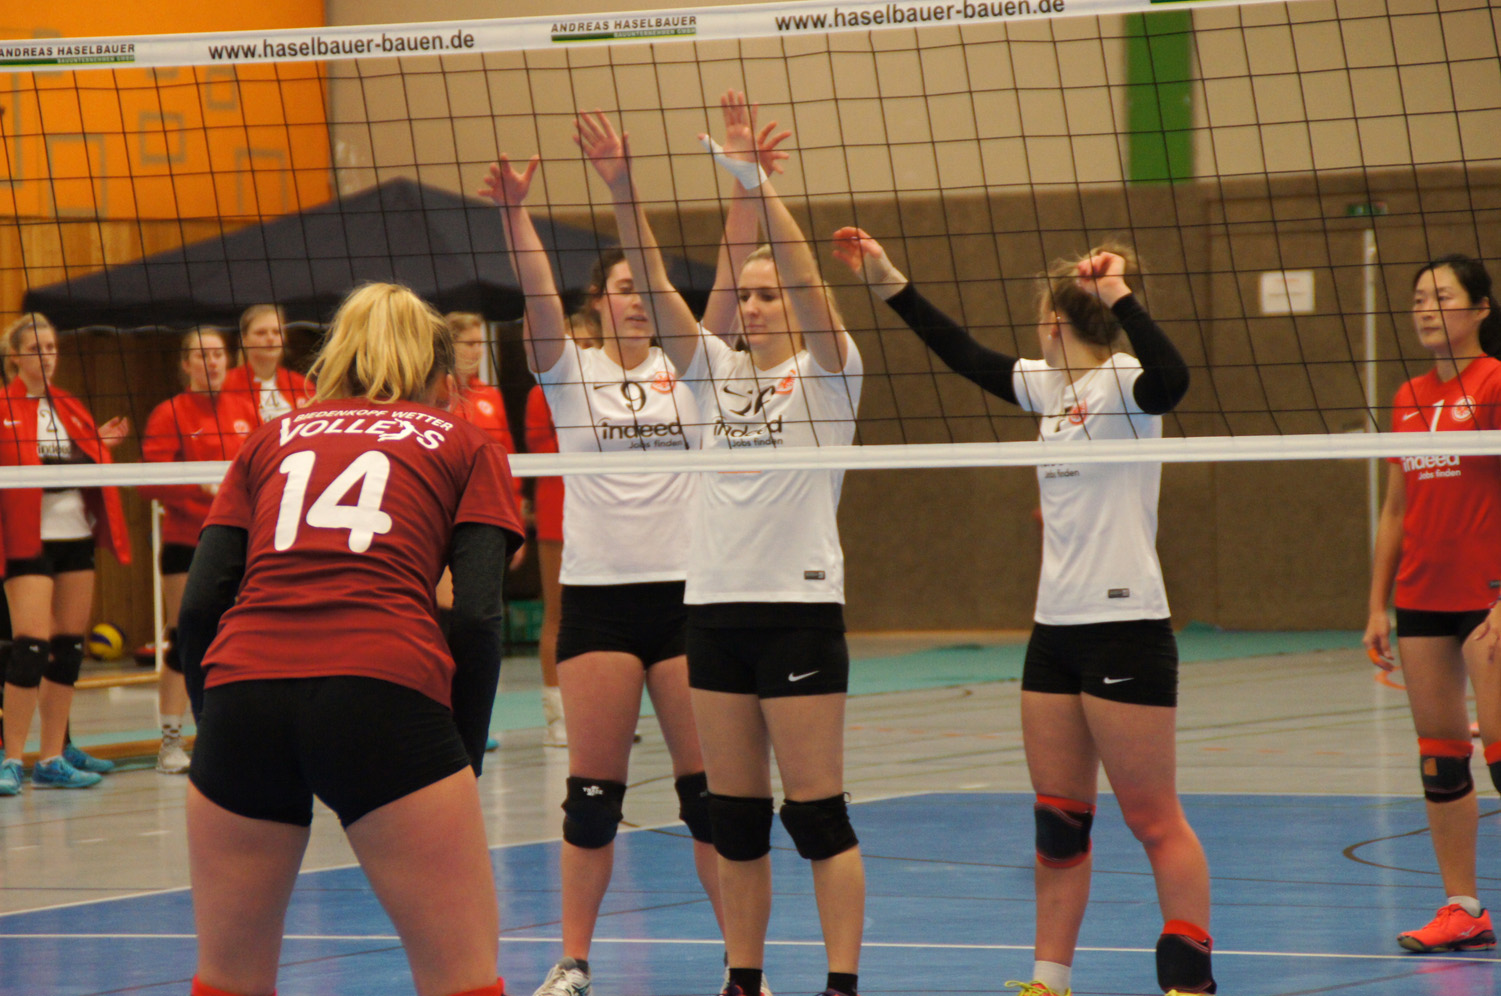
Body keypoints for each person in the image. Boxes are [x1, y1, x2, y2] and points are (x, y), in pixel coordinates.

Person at [835, 229, 1206, 995]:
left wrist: (1119, 296)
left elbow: (1173, 380)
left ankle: (1188, 983)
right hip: (1053, 631)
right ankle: (1048, 979)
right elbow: (961, 353)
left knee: (1152, 820)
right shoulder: (1049, 388)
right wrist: (887, 280)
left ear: (1052, 320)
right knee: (1058, 823)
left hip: (1125, 627)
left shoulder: (1125, 384)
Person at [175, 281, 524, 996]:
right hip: (382, 688)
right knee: (461, 979)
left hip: (245, 689)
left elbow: (201, 605)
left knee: (228, 981)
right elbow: (477, 616)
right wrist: (458, 757)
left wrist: (219, 730)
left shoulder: (269, 438)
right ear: (440, 374)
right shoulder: (466, 444)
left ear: (337, 356)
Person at [479, 120, 725, 996]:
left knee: (710, 798)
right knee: (591, 799)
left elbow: (688, 276)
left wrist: (623, 187)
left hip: (686, 601)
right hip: (598, 601)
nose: (635, 300)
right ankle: (573, 961)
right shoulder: (570, 372)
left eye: (641, 289)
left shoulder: (693, 370)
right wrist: (515, 215)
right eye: (620, 289)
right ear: (598, 302)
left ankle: (742, 966)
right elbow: (538, 298)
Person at [665, 92, 866, 996]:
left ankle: (839, 985)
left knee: (816, 816)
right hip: (712, 610)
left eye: (765, 292)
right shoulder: (713, 374)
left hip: (797, 610)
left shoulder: (829, 373)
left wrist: (756, 184)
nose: (750, 305)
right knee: (733, 821)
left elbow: (810, 285)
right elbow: (675, 293)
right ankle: (741, 980)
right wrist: (650, 192)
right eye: (743, 295)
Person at [1364, 253, 1501, 954]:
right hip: (1420, 597)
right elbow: (1395, 508)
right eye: (1418, 297)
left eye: (1440, 297)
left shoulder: (1496, 381)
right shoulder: (1407, 395)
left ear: (1479, 308)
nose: (1424, 308)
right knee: (1441, 761)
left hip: (1486, 596)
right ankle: (1462, 908)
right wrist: (1376, 605)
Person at [0, 314, 131, 796]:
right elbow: (39, 467)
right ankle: (11, 759)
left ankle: (52, 758)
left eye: (52, 347)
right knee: (31, 646)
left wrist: (99, 446)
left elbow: (79, 462)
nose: (46, 356)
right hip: (26, 538)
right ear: (15, 356)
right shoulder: (3, 406)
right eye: (35, 348)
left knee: (69, 648)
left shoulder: (70, 406)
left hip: (74, 533)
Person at [138, 327, 233, 775]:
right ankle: (171, 743)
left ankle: (226, 735)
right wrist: (199, 484)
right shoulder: (169, 413)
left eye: (217, 354)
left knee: (236, 638)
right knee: (184, 639)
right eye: (201, 355)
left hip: (236, 541)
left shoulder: (244, 408)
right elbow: (149, 482)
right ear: (185, 364)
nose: (211, 362)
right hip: (186, 542)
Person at [525, 382, 568, 747]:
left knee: (600, 615)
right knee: (557, 613)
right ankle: (558, 716)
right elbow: (538, 448)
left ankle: (601, 709)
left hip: (606, 508)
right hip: (557, 504)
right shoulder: (545, 389)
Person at [217, 303, 311, 438]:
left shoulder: (302, 385)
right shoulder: (224, 384)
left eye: (276, 332)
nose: (270, 338)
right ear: (244, 340)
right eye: (261, 333)